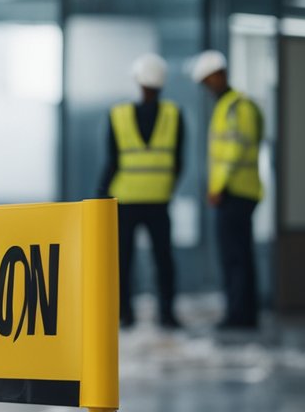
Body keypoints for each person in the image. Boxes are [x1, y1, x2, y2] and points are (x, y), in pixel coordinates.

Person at [99, 54, 183, 329]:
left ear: (138, 81)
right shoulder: (174, 115)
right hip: (159, 199)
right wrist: (166, 186)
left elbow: (113, 161)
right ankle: (167, 314)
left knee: (123, 261)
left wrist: (100, 195)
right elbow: (179, 161)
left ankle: (126, 314)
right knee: (164, 260)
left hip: (126, 200)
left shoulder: (118, 115)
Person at [191, 50, 263, 330]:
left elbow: (235, 150)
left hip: (235, 192)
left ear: (219, 74)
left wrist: (218, 187)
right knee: (239, 256)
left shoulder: (236, 107)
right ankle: (244, 314)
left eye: (208, 80)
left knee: (235, 257)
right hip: (238, 192)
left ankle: (239, 316)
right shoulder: (230, 106)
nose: (207, 87)